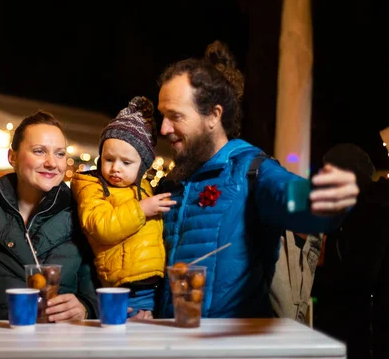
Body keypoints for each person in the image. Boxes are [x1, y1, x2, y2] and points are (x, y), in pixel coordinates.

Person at [155, 41, 359, 319]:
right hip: (173, 342)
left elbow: (291, 196)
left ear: (214, 116)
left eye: (175, 116)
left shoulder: (251, 171)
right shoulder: (172, 184)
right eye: (162, 116)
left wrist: (325, 198)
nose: (164, 128)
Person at [0, 111, 99, 321]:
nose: (52, 163)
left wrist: (85, 307)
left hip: (59, 346)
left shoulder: (84, 216)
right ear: (13, 157)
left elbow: (96, 288)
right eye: (39, 151)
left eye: (60, 154)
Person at [71, 97, 175, 318]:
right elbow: (100, 226)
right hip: (123, 288)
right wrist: (141, 209)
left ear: (143, 166)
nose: (116, 168)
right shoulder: (92, 186)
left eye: (126, 163)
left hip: (154, 287)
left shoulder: (145, 188)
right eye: (109, 159)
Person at [312, 143, 389, 359]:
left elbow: (360, 276)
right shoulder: (355, 210)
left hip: (366, 335)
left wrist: (313, 279)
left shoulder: (372, 211)